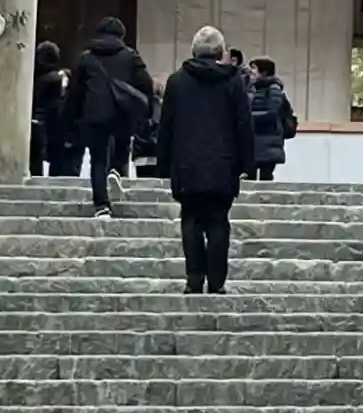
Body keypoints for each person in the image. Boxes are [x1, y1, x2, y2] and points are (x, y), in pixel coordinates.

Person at [155, 25, 256, 294]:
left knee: (190, 219)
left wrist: (162, 162)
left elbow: (167, 126)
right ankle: (217, 281)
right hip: (223, 164)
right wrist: (247, 163)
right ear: (220, 52)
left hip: (186, 163)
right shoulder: (233, 81)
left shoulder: (177, 82)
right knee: (218, 220)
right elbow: (243, 124)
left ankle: (194, 278)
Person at [71, 17, 156, 219]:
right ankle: (116, 171)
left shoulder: (86, 58)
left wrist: (73, 118)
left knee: (98, 159)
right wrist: (147, 109)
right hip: (122, 112)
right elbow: (146, 84)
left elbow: (75, 93)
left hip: (95, 114)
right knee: (122, 147)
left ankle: (101, 205)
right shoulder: (131, 57)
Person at [248, 57, 297, 180]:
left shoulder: (273, 90)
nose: (251, 72)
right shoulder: (252, 89)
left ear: (264, 72)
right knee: (249, 176)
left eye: (254, 68)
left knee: (264, 177)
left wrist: (247, 118)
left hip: (267, 141)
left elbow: (271, 114)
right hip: (255, 142)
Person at [31, 41, 73, 179]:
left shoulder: (34, 78)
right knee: (57, 160)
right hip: (58, 122)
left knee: (35, 159)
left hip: (37, 121)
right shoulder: (61, 77)